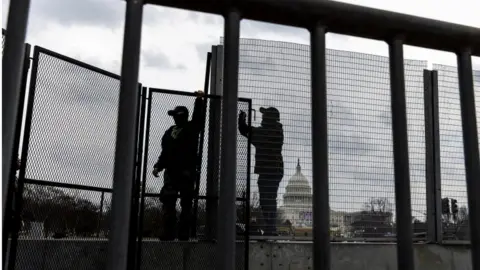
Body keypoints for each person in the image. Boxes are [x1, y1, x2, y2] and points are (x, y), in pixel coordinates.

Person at [152, 91, 205, 241]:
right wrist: (158, 166)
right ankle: (169, 233)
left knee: (186, 204)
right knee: (168, 202)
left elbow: (198, 118)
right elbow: (165, 152)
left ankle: (183, 233)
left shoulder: (191, 128)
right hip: (171, 172)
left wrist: (199, 101)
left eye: (176, 115)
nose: (174, 117)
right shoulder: (170, 132)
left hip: (186, 172)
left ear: (182, 116)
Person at [238, 107, 284, 236]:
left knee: (267, 200)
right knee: (267, 200)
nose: (262, 117)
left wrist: (242, 120)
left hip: (269, 171)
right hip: (272, 171)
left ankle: (271, 228)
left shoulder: (268, 132)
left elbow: (245, 130)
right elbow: (248, 131)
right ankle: (270, 228)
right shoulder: (275, 131)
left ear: (269, 118)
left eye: (265, 115)